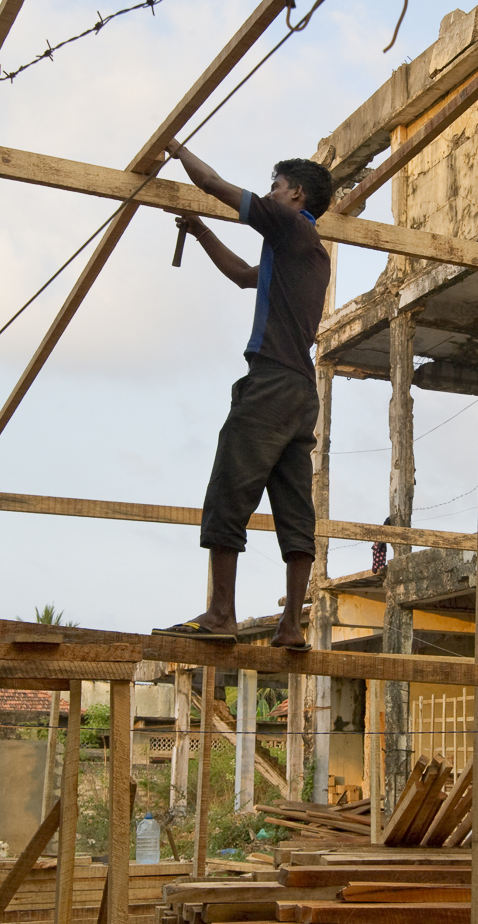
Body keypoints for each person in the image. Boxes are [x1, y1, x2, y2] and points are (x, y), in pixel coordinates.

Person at [152, 141, 333, 650]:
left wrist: (176, 146)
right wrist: (202, 231)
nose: (271, 194)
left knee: (228, 491)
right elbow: (243, 278)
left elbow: (211, 184)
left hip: (271, 384)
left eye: (277, 187)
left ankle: (220, 615)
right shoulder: (306, 253)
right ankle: (292, 627)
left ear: (296, 194)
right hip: (301, 392)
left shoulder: (288, 224)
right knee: (295, 509)